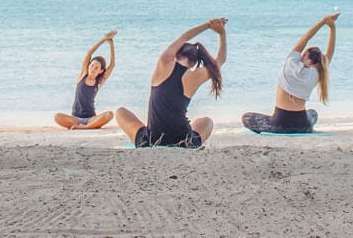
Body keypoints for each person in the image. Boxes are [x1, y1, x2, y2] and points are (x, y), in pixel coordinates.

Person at [115, 18, 227, 148]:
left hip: (152, 141)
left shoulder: (163, 64)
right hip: (185, 142)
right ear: (194, 63)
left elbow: (184, 37)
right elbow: (220, 60)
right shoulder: (195, 76)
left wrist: (208, 25)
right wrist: (222, 34)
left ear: (176, 54)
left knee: (120, 112)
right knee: (207, 122)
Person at [242, 13, 338, 134]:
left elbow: (305, 38)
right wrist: (332, 28)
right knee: (313, 113)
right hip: (303, 125)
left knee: (246, 117)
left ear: (304, 55)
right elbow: (330, 54)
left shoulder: (291, 63)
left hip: (279, 124)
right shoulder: (317, 74)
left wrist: (322, 22)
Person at [54, 30, 118, 130]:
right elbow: (89, 53)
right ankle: (86, 127)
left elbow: (112, 65)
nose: (93, 69)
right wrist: (104, 39)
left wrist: (111, 45)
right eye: (92, 65)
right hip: (75, 119)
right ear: (88, 66)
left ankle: (84, 127)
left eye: (96, 68)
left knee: (109, 114)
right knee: (57, 116)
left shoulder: (99, 82)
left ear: (100, 71)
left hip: (91, 118)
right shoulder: (82, 75)